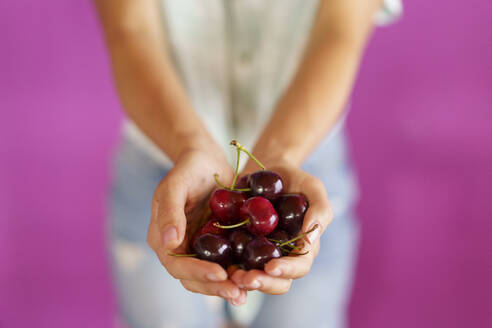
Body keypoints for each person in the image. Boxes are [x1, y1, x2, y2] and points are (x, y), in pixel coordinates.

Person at [95, 0, 402, 327]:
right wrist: (190, 147)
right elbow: (131, 28)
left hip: (305, 174)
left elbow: (340, 31)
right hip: (165, 180)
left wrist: (279, 156)